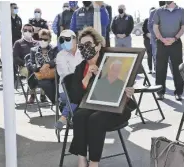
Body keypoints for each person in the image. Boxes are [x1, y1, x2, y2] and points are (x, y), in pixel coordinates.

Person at [68, 27, 136, 167]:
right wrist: (86, 77)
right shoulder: (80, 68)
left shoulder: (111, 61)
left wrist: (127, 92)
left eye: (88, 45)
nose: (84, 49)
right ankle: (82, 158)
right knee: (79, 116)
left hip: (115, 110)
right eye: (81, 46)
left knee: (95, 119)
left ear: (98, 45)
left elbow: (120, 85)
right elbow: (75, 98)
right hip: (91, 107)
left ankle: (94, 162)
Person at [153, 1, 184, 101]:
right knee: (160, 68)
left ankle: (179, 92)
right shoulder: (159, 11)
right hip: (161, 43)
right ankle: (160, 92)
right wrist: (162, 39)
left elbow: (183, 27)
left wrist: (175, 38)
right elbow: (155, 27)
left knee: (177, 68)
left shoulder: (181, 11)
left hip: (175, 43)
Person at [55, 29, 82, 130]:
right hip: (66, 89)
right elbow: (67, 76)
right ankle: (66, 116)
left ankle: (64, 116)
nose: (64, 42)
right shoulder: (60, 55)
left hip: (84, 85)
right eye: (62, 40)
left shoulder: (83, 52)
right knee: (78, 94)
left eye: (67, 39)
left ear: (75, 39)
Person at [27, 29, 59, 104]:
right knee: (45, 83)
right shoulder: (33, 50)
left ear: (50, 39)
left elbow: (57, 60)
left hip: (52, 74)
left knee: (59, 82)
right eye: (41, 39)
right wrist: (37, 67)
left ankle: (58, 100)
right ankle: (55, 100)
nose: (42, 41)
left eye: (45, 39)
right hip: (39, 76)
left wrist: (48, 64)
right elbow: (30, 63)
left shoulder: (54, 49)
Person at [12, 24, 41, 103]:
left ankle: (43, 93)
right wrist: (24, 63)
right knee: (31, 72)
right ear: (22, 31)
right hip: (24, 67)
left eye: (29, 30)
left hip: (37, 65)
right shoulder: (18, 43)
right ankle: (32, 95)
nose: (27, 32)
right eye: (25, 30)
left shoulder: (37, 43)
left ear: (33, 32)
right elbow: (15, 57)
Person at [143, 8, 155, 74]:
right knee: (149, 55)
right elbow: (143, 29)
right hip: (147, 40)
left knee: (155, 55)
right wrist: (147, 34)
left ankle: (156, 69)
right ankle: (150, 69)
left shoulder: (157, 20)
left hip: (155, 40)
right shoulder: (146, 20)